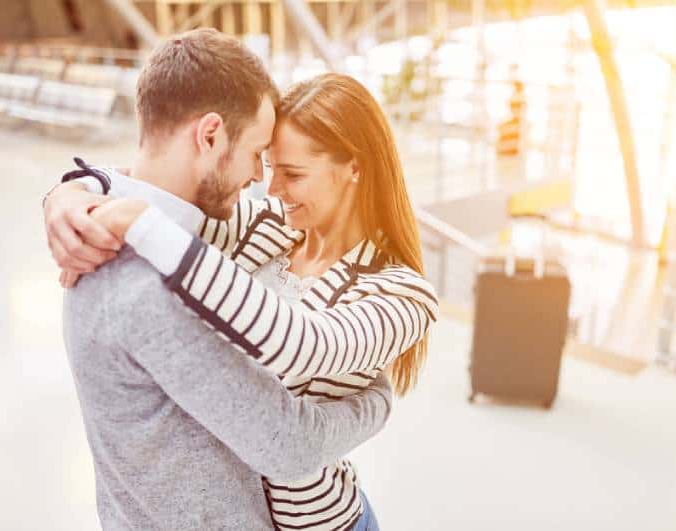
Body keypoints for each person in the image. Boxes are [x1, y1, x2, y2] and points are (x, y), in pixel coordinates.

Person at [49, 70, 439, 530]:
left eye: (293, 174)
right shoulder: (268, 226)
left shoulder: (403, 293)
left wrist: (143, 225)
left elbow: (305, 344)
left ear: (354, 167)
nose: (272, 190)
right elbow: (160, 200)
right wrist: (69, 195)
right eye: (271, 168)